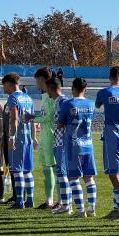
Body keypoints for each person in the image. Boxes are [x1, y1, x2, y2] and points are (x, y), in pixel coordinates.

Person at [95, 66, 119, 221]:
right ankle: (116, 208)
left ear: (110, 77)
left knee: (114, 174)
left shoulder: (105, 92)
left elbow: (98, 105)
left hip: (113, 136)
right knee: (116, 173)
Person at [58, 78, 97, 217]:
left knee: (73, 178)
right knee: (89, 178)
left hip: (73, 146)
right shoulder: (91, 104)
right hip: (88, 145)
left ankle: (81, 210)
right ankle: (92, 209)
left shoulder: (68, 104)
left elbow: (60, 124)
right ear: (85, 89)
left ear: (72, 88)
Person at [3, 73, 36, 209]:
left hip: (18, 139)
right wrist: (34, 138)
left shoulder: (13, 98)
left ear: (10, 84)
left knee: (17, 170)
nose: (4, 88)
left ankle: (19, 201)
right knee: (27, 171)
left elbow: (14, 118)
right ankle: (30, 200)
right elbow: (32, 119)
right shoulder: (28, 98)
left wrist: (12, 137)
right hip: (28, 138)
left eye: (4, 85)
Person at [29, 68, 57, 209]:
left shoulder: (51, 96)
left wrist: (32, 118)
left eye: (36, 80)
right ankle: (49, 201)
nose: (36, 83)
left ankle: (61, 201)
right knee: (47, 170)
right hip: (45, 137)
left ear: (41, 79)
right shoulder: (45, 96)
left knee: (55, 170)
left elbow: (48, 117)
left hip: (52, 137)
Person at [45, 77, 72, 214]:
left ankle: (67, 206)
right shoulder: (58, 102)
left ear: (50, 88)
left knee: (63, 173)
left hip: (63, 142)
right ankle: (65, 204)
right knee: (61, 173)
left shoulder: (63, 102)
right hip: (58, 141)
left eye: (47, 89)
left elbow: (68, 121)